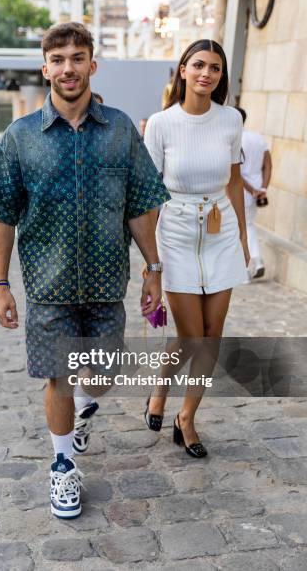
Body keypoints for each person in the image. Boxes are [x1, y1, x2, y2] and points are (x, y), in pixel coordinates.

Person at [0, 22, 169, 519]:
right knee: (59, 379)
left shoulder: (121, 129)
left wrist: (153, 268)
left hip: (108, 284)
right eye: (58, 59)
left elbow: (141, 204)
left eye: (77, 57)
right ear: (45, 68)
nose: (68, 68)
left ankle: (85, 409)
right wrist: (1, 285)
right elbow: (3, 216)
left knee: (101, 376)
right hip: (48, 285)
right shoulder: (19, 138)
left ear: (91, 65)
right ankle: (62, 466)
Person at [144, 39, 250, 458]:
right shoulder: (161, 123)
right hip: (177, 230)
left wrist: (241, 237)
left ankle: (186, 417)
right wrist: (152, 261)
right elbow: (150, 195)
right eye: (199, 65)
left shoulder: (230, 120)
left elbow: (236, 181)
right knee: (191, 337)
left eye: (216, 68)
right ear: (183, 70)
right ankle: (160, 387)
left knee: (213, 336)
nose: (207, 73)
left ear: (221, 77)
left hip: (220, 229)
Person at [236, 107, 272, 279]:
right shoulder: (258, 138)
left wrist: (253, 190)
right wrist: (262, 189)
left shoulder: (234, 140)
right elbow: (268, 165)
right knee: (248, 225)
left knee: (241, 227)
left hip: (241, 189)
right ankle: (256, 262)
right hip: (256, 187)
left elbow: (235, 173)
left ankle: (248, 267)